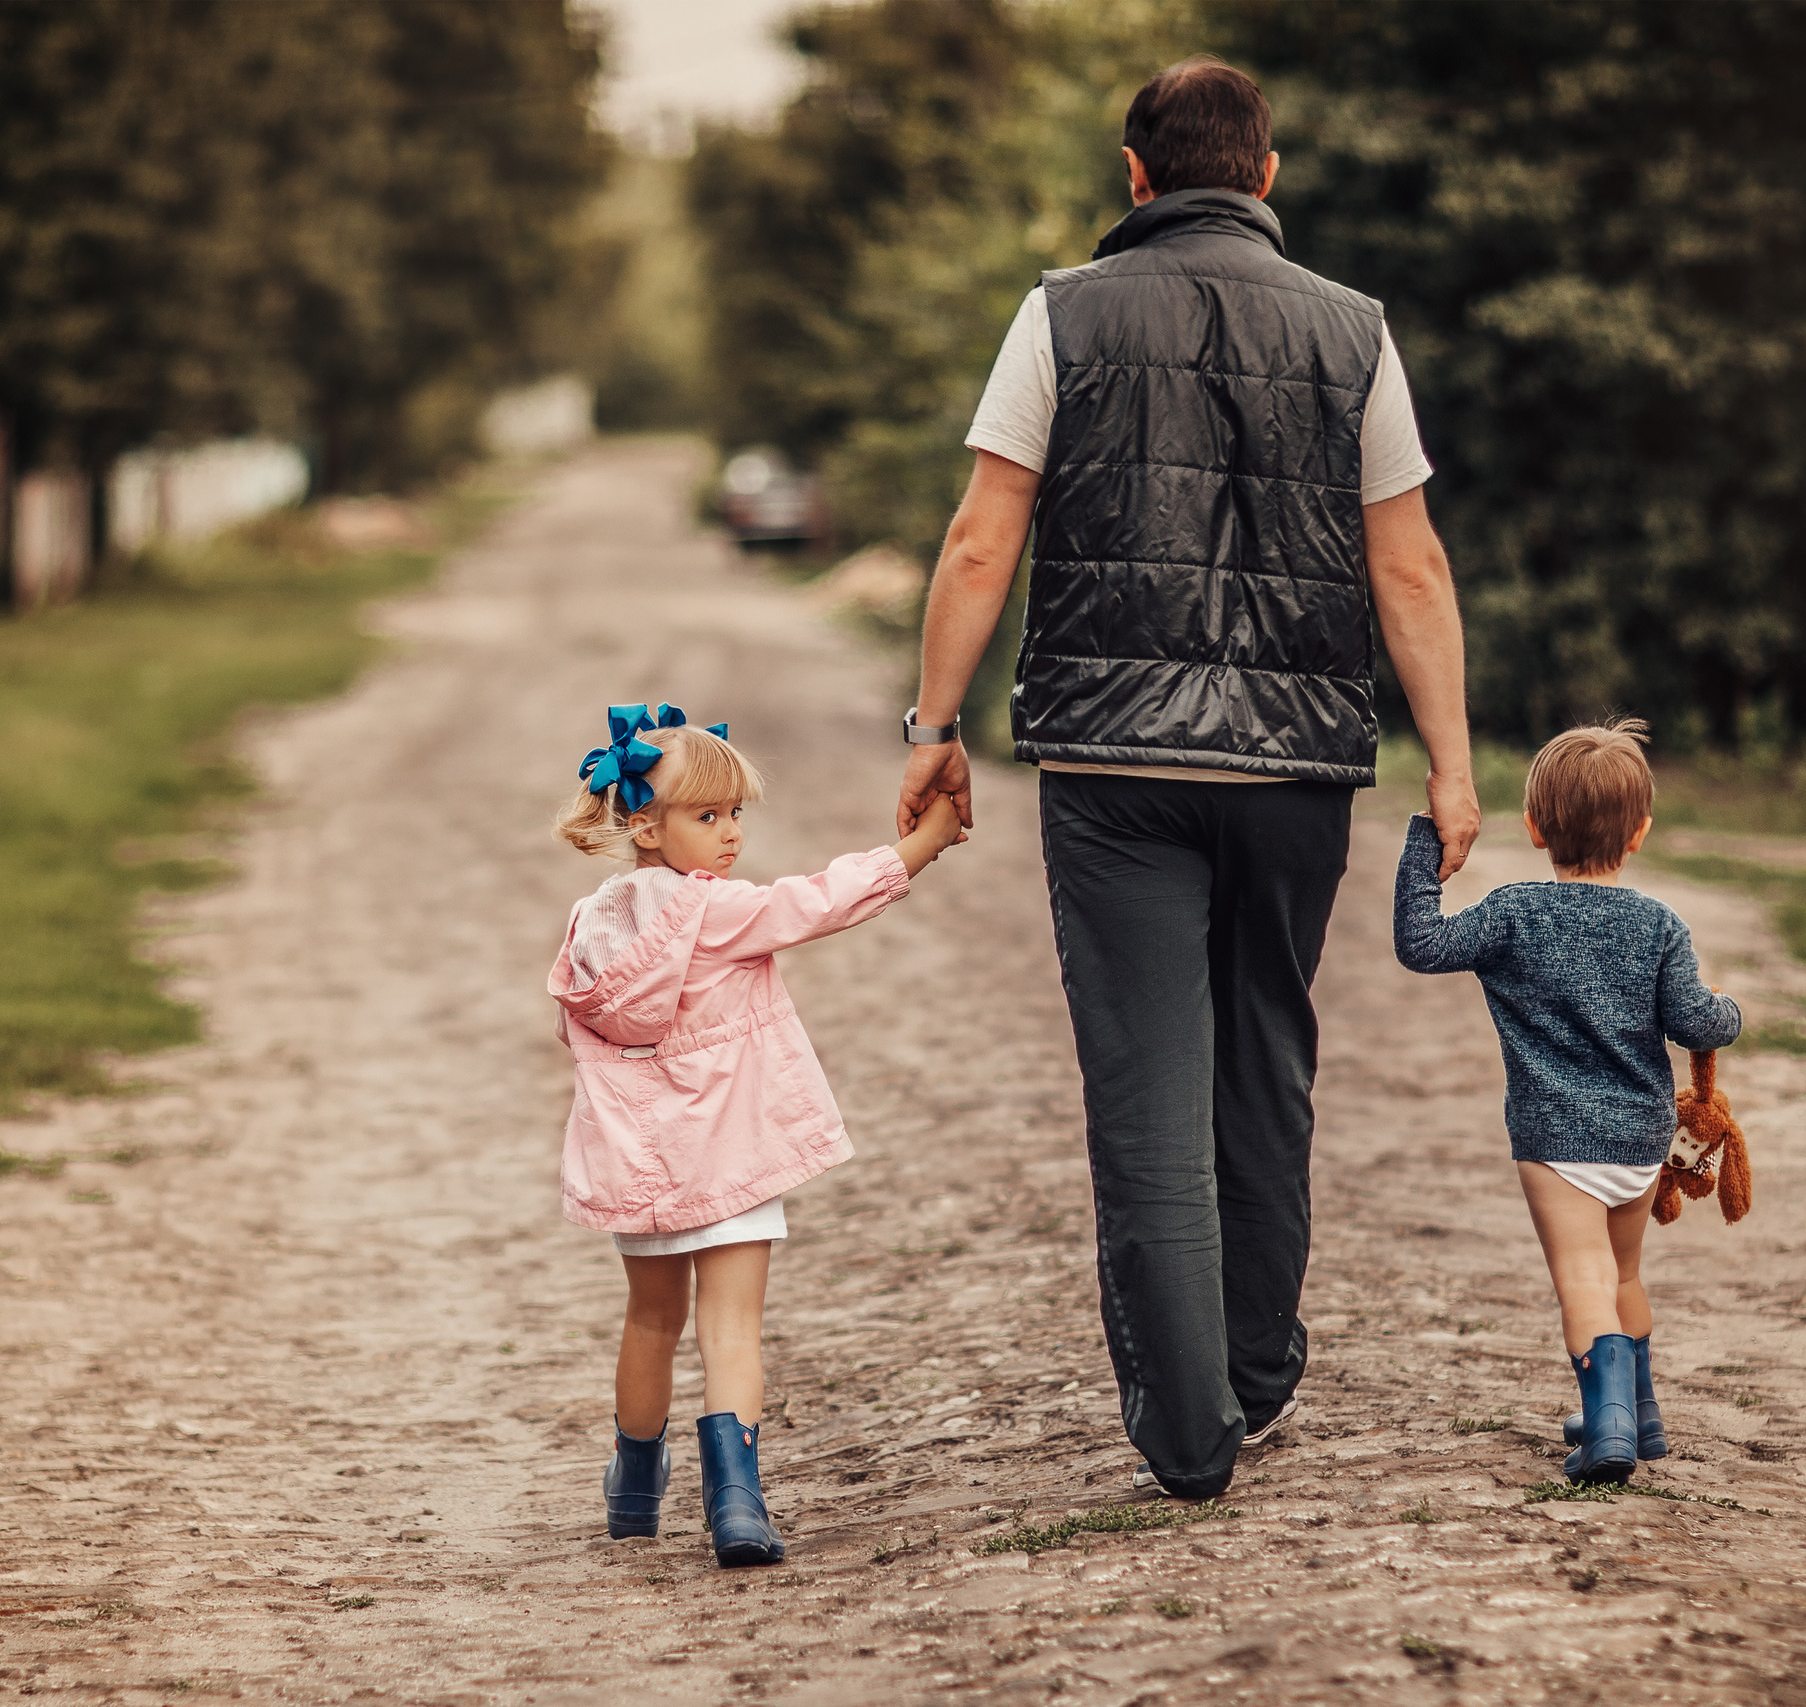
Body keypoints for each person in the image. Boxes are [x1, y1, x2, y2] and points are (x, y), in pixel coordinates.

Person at [897, 55, 1481, 1501]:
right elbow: (1405, 559)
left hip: (1111, 762)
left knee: (1146, 1075)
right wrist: (1457, 766)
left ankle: (1187, 1433)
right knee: (1267, 1050)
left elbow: (983, 537)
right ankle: (1260, 1367)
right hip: (1295, 765)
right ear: (1268, 175)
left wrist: (933, 725)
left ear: (1134, 172)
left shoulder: (1061, 313)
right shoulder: (1357, 332)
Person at [550, 703, 967, 1566]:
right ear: (645, 824)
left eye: (736, 812)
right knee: (732, 1327)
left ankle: (633, 1488)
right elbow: (820, 902)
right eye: (708, 816)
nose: (731, 832)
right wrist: (923, 843)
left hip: (644, 1163)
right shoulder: (716, 912)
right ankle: (736, 1502)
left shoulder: (594, 924)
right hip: (731, 1152)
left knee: (651, 1321)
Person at [1393, 719, 1742, 1482]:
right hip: (1640, 1139)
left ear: (1534, 826)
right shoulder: (1659, 924)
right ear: (1641, 831)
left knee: (1582, 1279)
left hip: (1557, 1140)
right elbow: (1694, 1020)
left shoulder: (1513, 912)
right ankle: (1639, 1414)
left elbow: (1420, 943)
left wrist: (1429, 836)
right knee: (1621, 1278)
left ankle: (1609, 1429)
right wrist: (1731, 1012)